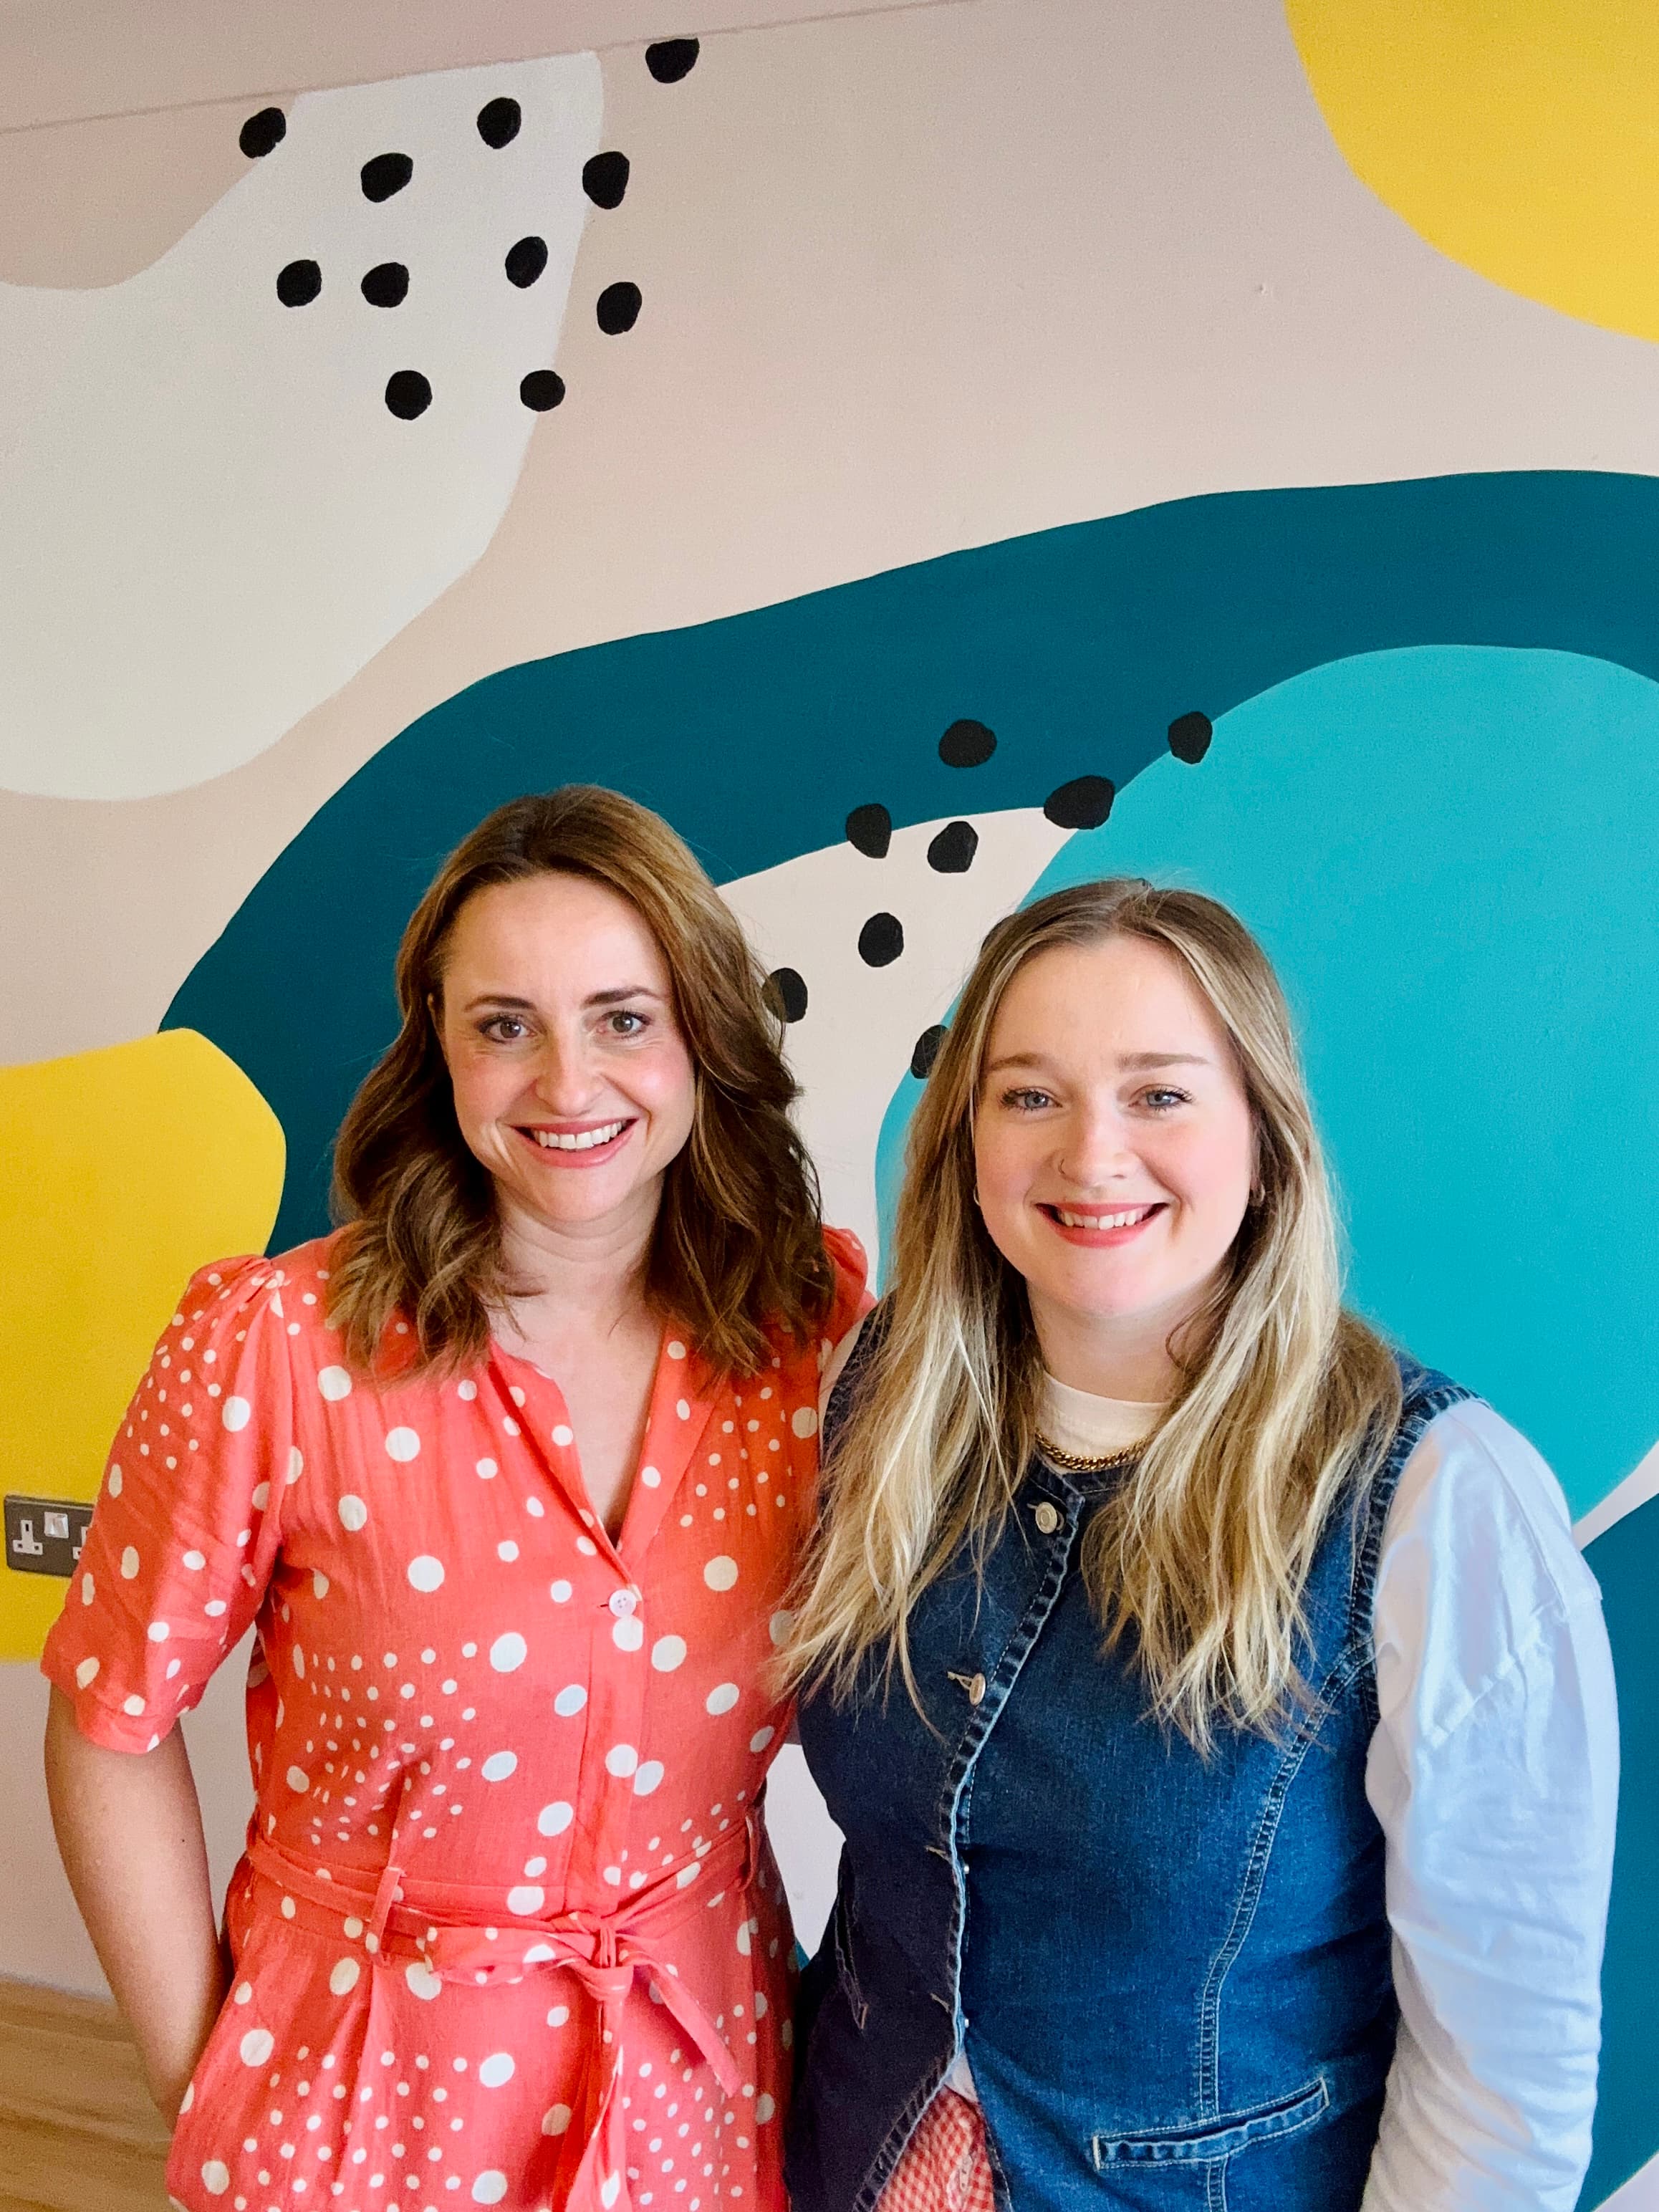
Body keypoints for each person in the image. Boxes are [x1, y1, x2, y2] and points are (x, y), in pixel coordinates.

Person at [42, 784, 865, 2212]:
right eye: (505, 1023)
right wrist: (207, 2077)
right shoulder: (280, 1345)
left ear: (702, 1036)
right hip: (361, 2098)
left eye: (624, 1014)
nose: (567, 1078)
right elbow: (108, 1718)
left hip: (704, 2092)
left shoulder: (812, 1328)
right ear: (438, 1043)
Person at [782, 877, 1617, 2212]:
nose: (1092, 1156)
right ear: (968, 1139)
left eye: (1160, 1094)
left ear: (1264, 1135)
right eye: (1030, 1095)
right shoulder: (877, 1397)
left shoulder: (1436, 1499)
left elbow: (1500, 2081)